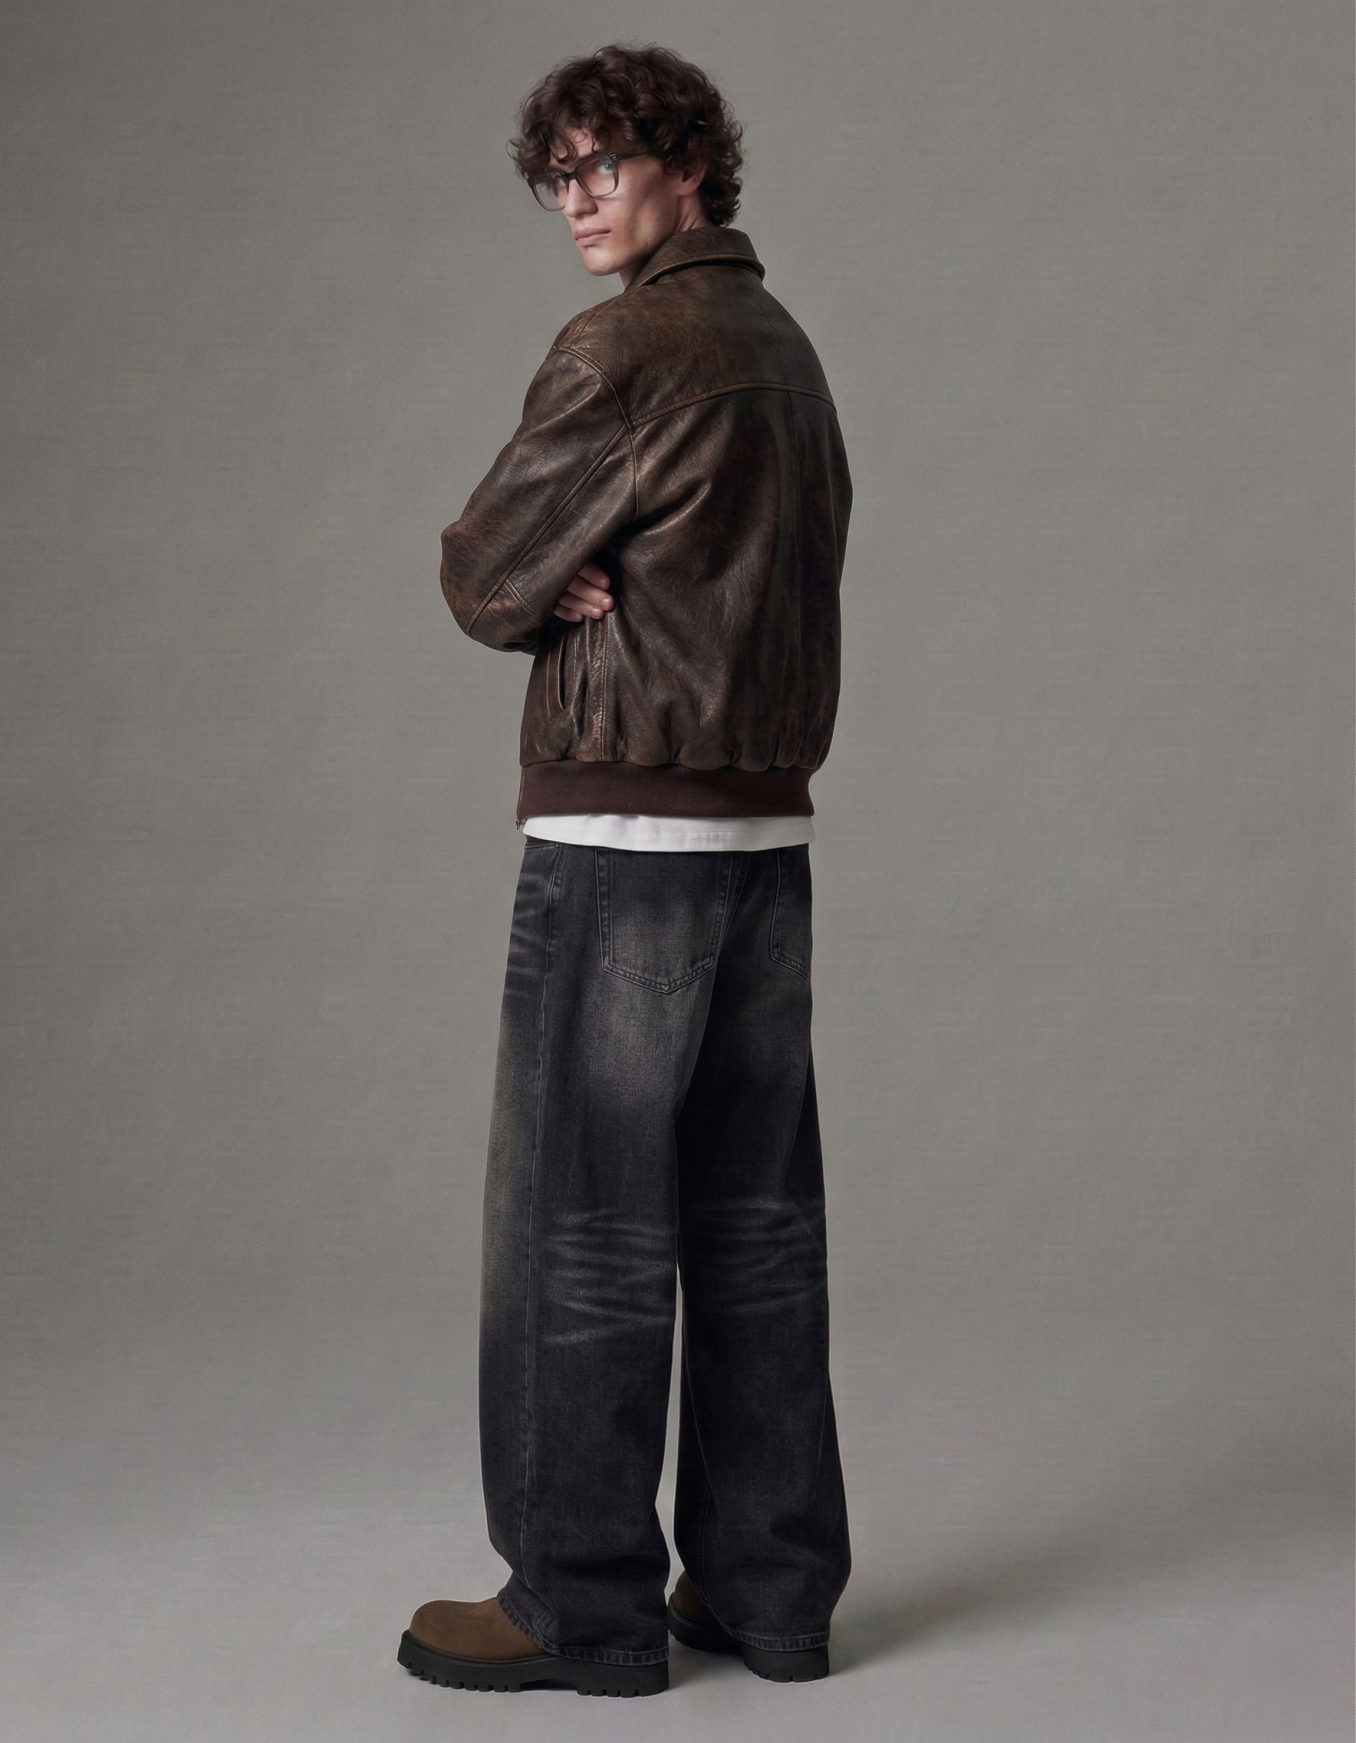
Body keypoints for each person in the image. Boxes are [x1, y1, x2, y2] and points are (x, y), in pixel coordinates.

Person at [398, 42, 853, 1698]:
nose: (580, 201)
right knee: (753, 1225)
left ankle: (577, 1599)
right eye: (561, 175)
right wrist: (577, 558)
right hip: (766, 836)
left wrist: (557, 569)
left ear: (689, 165)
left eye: (606, 165)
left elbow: (480, 569)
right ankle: (769, 1592)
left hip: (621, 834)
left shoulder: (622, 347)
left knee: (581, 1225)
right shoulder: (785, 351)